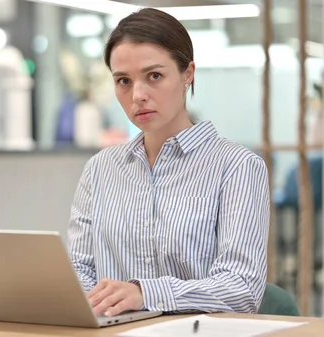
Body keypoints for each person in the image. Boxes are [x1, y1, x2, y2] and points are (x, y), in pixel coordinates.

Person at [67, 8, 270, 318]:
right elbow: (80, 269)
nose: (138, 95)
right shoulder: (99, 169)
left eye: (154, 76)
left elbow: (241, 289)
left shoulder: (238, 167)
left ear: (187, 74)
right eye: (123, 81)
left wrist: (145, 293)